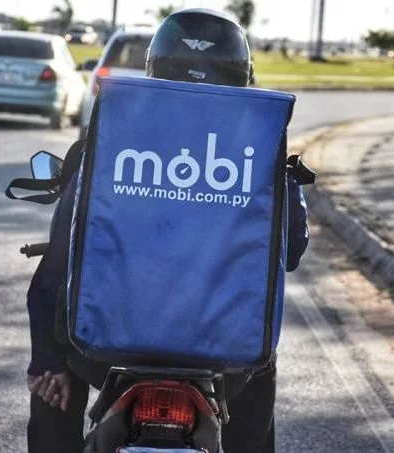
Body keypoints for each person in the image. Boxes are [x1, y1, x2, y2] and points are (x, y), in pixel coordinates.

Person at [24, 8, 310, 453]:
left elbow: (59, 260)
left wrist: (46, 359)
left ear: (155, 65)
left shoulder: (110, 142)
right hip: (227, 361)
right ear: (242, 74)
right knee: (258, 378)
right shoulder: (260, 151)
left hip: (103, 350)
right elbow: (292, 251)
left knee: (53, 388)